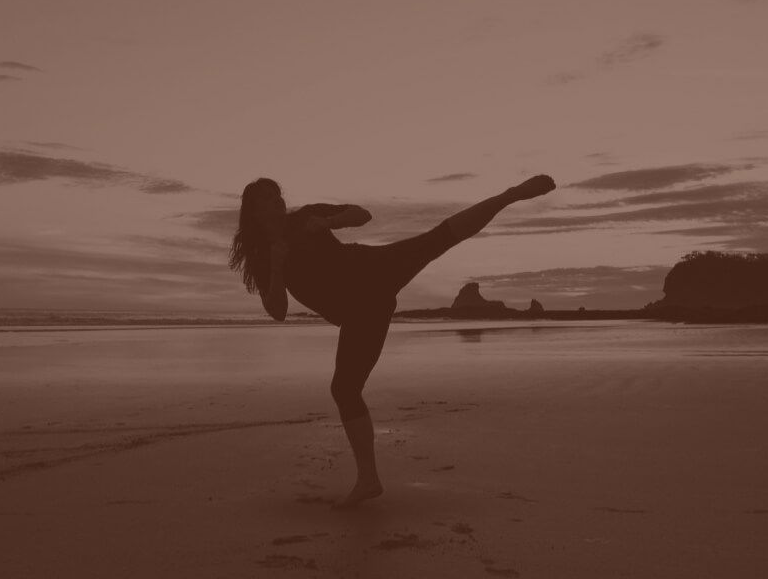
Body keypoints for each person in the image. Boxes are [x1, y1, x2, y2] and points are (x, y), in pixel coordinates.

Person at [229, 174, 556, 508]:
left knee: (437, 239)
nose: (278, 200)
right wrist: (278, 268)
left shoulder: (306, 217)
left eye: (277, 194)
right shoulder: (261, 256)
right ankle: (368, 479)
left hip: (373, 271)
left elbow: (362, 214)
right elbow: (278, 311)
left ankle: (510, 194)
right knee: (344, 389)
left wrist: (328, 221)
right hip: (362, 313)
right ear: (254, 212)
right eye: (268, 198)